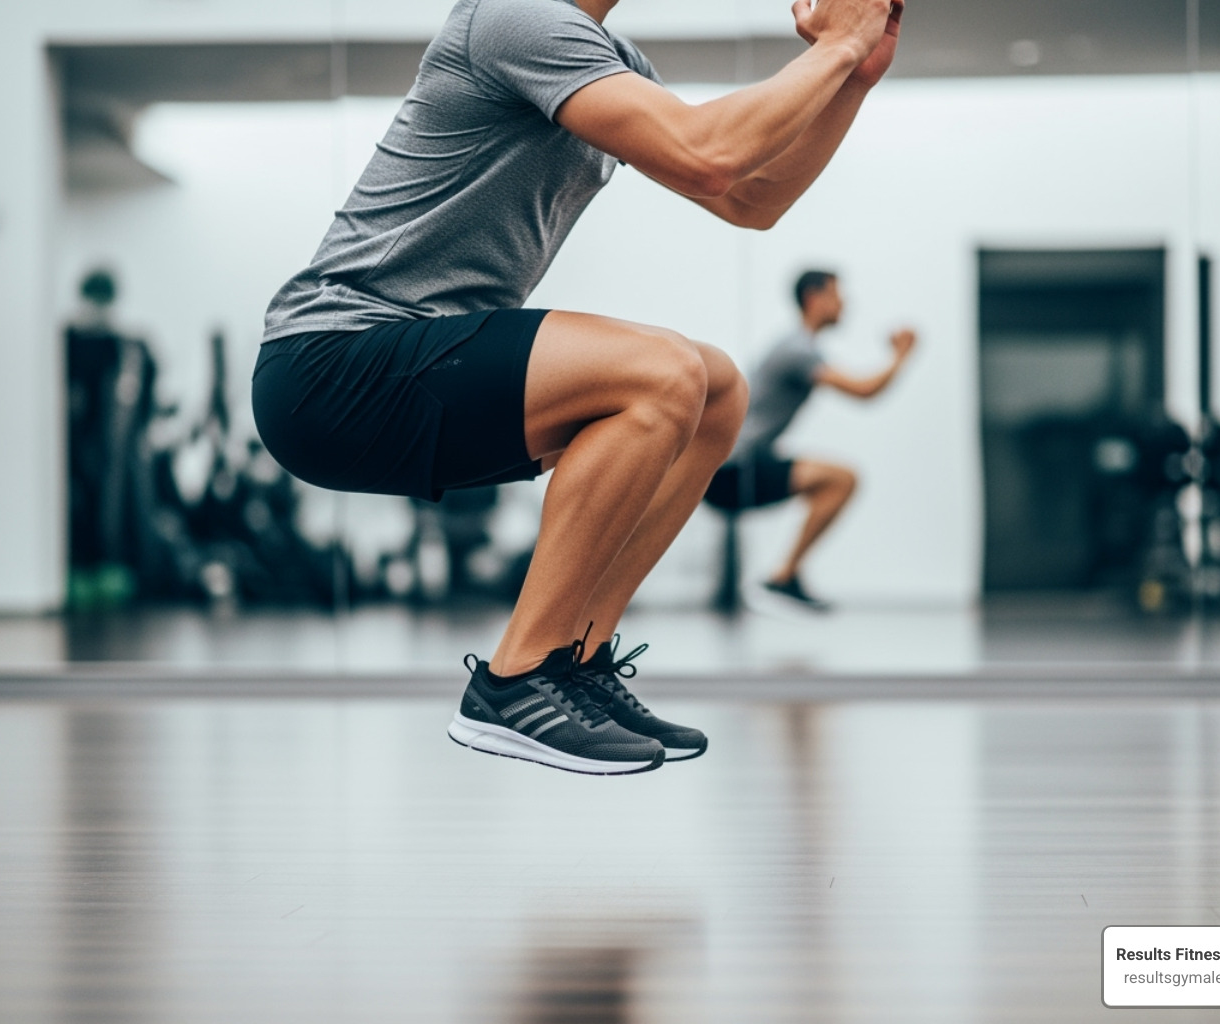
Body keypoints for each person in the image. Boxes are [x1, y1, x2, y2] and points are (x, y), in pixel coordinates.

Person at [252, 0, 907, 774]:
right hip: (333, 361)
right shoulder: (513, 17)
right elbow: (710, 153)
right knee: (662, 372)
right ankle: (516, 679)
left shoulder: (608, 55)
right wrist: (836, 48)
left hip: (421, 362)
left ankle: (575, 660)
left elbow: (750, 198)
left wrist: (854, 79)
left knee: (718, 392)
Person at [704, 270, 917, 612]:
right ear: (814, 299)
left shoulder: (798, 346)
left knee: (838, 479)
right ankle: (785, 575)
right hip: (730, 471)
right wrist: (902, 354)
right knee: (842, 479)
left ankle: (786, 574)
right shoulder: (798, 349)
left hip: (733, 464)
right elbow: (864, 391)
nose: (844, 302)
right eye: (836, 294)